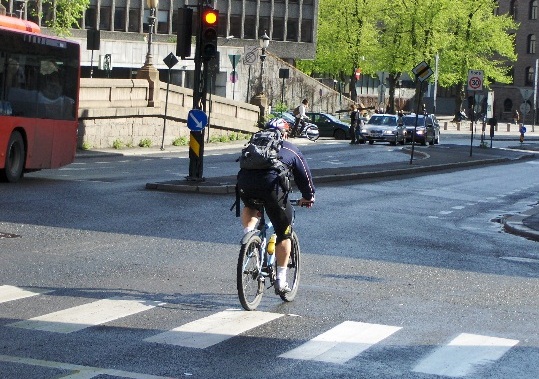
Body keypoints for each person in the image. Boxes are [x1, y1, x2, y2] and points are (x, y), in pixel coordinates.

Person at [237, 123, 315, 293]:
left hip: (245, 184)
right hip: (272, 189)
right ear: (284, 134)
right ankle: (281, 280)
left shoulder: (253, 145)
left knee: (251, 205)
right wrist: (308, 196)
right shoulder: (290, 148)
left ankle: (249, 238)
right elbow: (304, 176)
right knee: (284, 233)